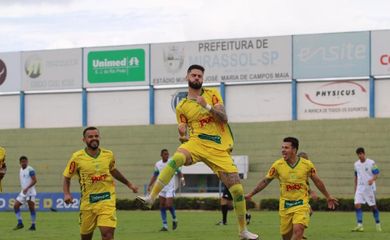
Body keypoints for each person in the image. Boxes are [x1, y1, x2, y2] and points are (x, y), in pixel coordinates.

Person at [136, 64, 259, 240]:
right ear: (187, 77)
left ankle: (243, 232)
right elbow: (184, 132)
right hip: (196, 143)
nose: (196, 78)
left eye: (199, 76)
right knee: (177, 157)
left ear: (203, 79)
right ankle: (151, 197)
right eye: (193, 75)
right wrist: (181, 133)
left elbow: (224, 118)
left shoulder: (212, 94)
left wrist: (207, 106)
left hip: (218, 147)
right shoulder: (182, 106)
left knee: (237, 190)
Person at [245, 137, 338, 240]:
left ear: (294, 150)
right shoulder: (277, 165)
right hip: (285, 206)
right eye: (282, 147)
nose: (283, 150)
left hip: (301, 204)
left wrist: (328, 196)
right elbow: (265, 181)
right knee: (286, 237)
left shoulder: (306, 165)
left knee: (298, 230)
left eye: (286, 147)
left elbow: (317, 181)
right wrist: (251, 194)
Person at [63, 126, 139, 240]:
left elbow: (113, 170)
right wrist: (67, 193)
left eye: (96, 136)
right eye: (90, 137)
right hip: (88, 203)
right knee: (86, 237)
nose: (94, 138)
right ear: (84, 140)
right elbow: (67, 177)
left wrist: (129, 184)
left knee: (107, 234)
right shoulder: (76, 157)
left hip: (107, 199)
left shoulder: (108, 155)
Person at [146, 149, 185, 231]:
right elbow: (155, 175)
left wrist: (182, 178)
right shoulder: (158, 164)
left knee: (168, 205)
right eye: (165, 154)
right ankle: (165, 225)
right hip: (161, 187)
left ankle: (174, 219)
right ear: (161, 155)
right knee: (162, 205)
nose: (167, 156)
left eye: (167, 154)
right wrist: (150, 185)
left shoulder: (171, 162)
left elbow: (178, 171)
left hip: (170, 187)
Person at [351, 147, 381, 232]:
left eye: (361, 154)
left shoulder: (371, 163)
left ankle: (378, 224)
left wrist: (372, 180)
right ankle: (360, 225)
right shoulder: (356, 164)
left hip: (369, 188)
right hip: (360, 188)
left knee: (373, 207)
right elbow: (356, 176)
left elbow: (376, 173)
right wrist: (355, 188)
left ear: (364, 153)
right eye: (358, 154)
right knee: (357, 204)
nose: (360, 156)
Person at [13, 156, 37, 231]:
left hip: (30, 192)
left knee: (31, 208)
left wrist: (27, 188)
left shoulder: (30, 169)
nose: (24, 163)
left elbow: (34, 180)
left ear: (27, 161)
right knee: (16, 206)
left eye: (25, 161)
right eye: (22, 162)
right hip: (23, 192)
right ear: (20, 163)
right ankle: (20, 223)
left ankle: (33, 225)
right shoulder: (20, 169)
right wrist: (24, 189)